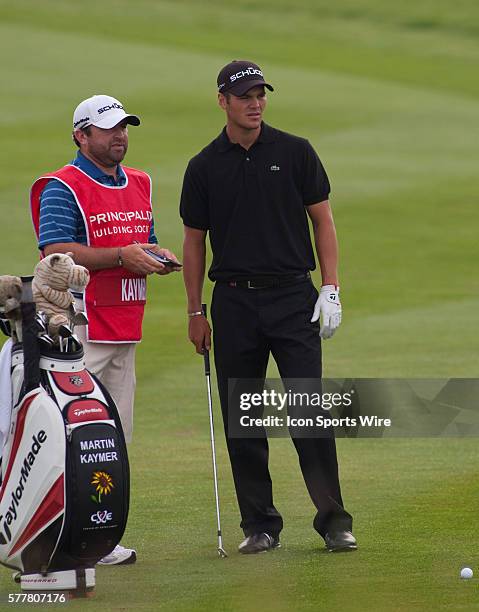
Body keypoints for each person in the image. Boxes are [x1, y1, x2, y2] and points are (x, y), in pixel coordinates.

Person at [180, 61, 357, 554]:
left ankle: (334, 520)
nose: (255, 103)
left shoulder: (295, 151)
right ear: (223, 101)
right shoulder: (204, 166)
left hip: (292, 298)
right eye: (244, 96)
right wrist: (196, 311)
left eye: (260, 94)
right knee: (243, 418)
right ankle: (259, 525)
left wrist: (331, 287)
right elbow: (194, 243)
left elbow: (323, 221)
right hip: (234, 301)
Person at [30, 94, 179, 565]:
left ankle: (97, 539)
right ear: (81, 135)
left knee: (111, 441)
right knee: (67, 440)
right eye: (109, 128)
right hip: (78, 332)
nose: (120, 136)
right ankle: (53, 537)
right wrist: (122, 256)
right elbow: (54, 251)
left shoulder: (140, 182)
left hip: (124, 328)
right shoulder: (62, 186)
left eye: (125, 127)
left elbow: (144, 241)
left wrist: (156, 257)